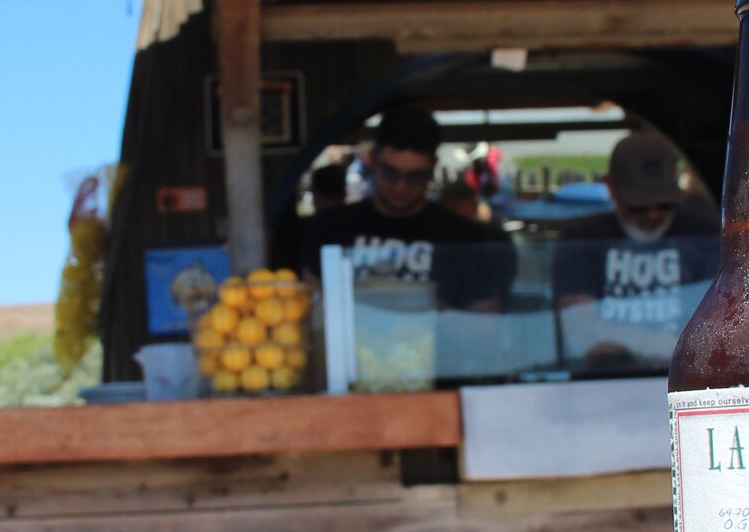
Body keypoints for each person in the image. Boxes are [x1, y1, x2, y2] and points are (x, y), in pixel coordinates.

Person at [295, 105, 512, 308]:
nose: (401, 187)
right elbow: (309, 307)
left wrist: (428, 309)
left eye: (416, 177)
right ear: (373, 159)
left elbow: (486, 325)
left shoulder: (463, 238)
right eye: (391, 173)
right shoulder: (330, 228)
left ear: (433, 166)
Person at [553, 133, 720, 365]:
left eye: (664, 203)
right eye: (639, 205)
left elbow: (719, 322)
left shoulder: (705, 235)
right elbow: (579, 329)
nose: (653, 214)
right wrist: (650, 342)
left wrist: (614, 337)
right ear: (610, 187)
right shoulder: (581, 237)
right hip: (601, 384)